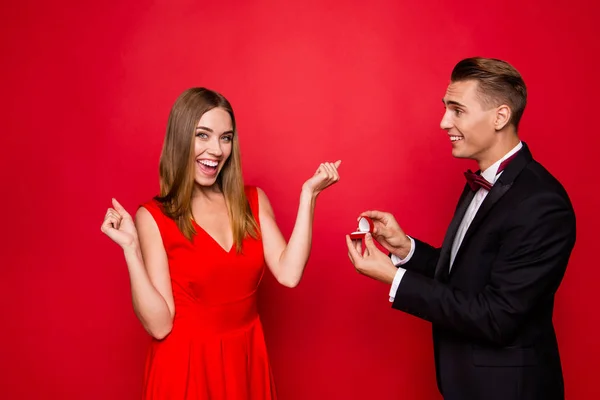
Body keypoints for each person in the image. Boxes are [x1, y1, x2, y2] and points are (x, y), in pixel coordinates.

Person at [346, 57, 576, 400]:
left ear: (500, 116)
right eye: (445, 109)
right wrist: (404, 249)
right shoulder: (484, 181)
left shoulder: (542, 204)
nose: (443, 122)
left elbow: (496, 316)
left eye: (457, 110)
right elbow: (468, 276)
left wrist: (394, 280)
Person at [101, 87, 341, 399]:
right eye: (203, 135)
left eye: (225, 138)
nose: (216, 149)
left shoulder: (252, 202)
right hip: (185, 372)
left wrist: (309, 196)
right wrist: (131, 250)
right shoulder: (154, 217)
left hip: (246, 362)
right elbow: (160, 326)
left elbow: (289, 273)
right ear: (181, 137)